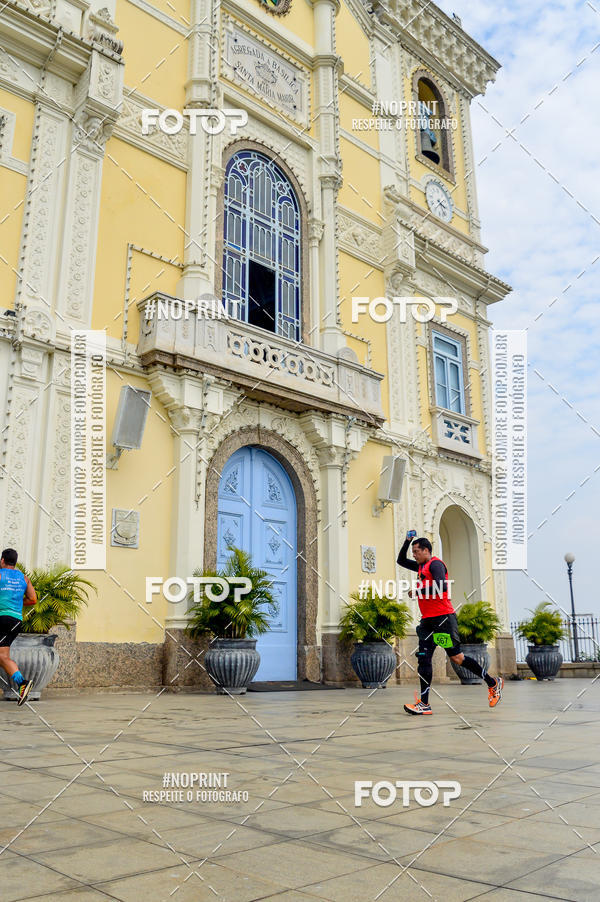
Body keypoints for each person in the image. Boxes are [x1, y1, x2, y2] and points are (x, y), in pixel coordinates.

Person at [398, 532, 503, 715]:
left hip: (443, 620)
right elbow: (401, 560)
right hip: (427, 623)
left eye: (416, 551)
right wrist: (407, 542)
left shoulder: (436, 564)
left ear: (426, 551)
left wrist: (418, 591)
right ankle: (424, 704)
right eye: (413, 552)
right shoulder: (421, 567)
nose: (413, 555)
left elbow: (442, 586)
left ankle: (493, 683)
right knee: (423, 658)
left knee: (457, 658)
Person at [0, 548, 37, 705]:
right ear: (14, 562)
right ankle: (22, 684)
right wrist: (17, 604)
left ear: (2, 560)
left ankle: (22, 683)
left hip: (2, 619)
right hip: (16, 621)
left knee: (2, 657)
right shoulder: (24, 578)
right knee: (3, 656)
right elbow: (33, 599)